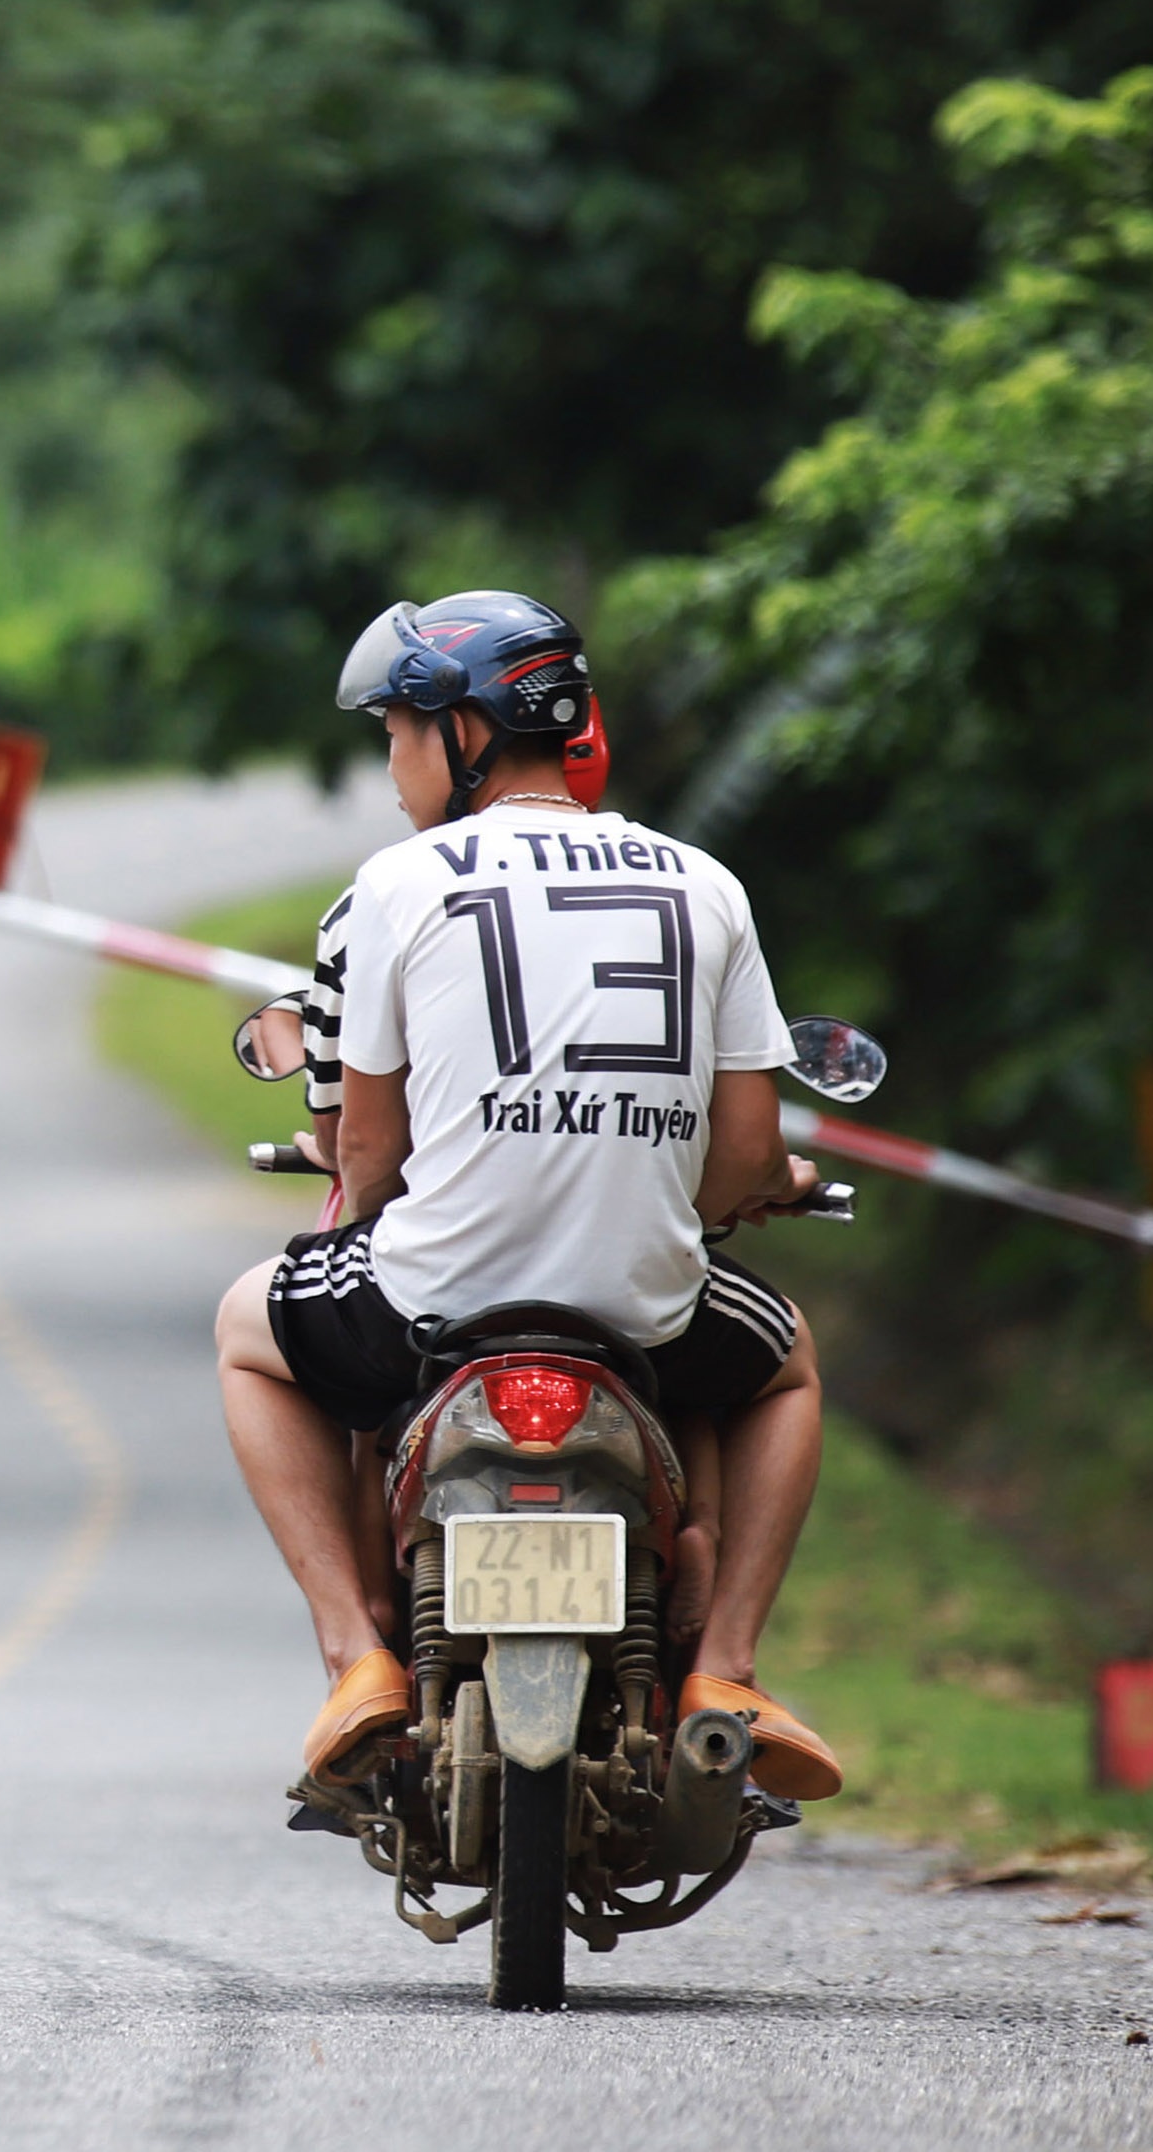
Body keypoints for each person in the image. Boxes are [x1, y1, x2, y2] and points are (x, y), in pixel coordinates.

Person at [215, 592, 842, 1804]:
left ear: (462, 731)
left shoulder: (397, 883)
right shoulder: (702, 883)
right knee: (788, 1363)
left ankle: (354, 1658)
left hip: (433, 1296)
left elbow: (371, 1154)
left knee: (249, 1332)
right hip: (644, 1308)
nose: (389, 764)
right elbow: (746, 1148)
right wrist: (728, 1195)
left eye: (395, 731)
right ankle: (724, 1670)